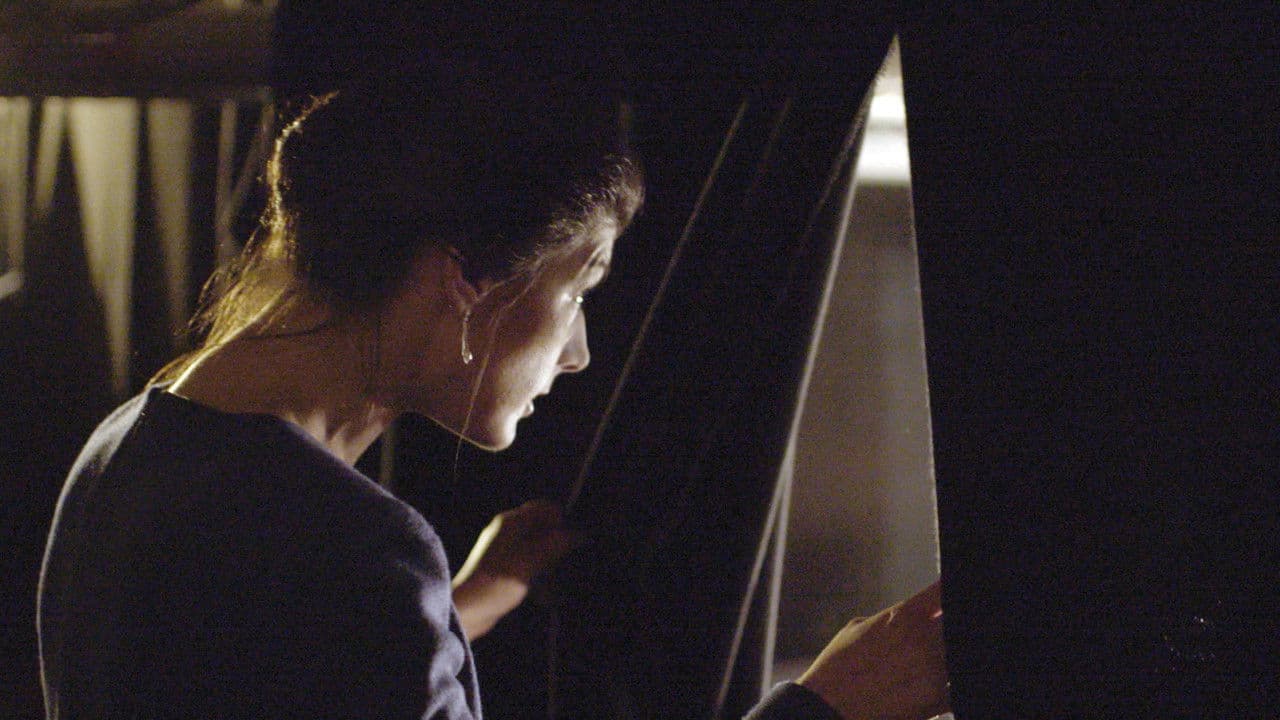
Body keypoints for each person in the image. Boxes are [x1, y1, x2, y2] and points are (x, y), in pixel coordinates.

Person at [37, 80, 948, 719]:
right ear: (464, 281)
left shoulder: (128, 445)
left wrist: (464, 604)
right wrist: (823, 710)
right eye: (578, 289)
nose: (580, 353)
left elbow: (255, 676)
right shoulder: (353, 553)